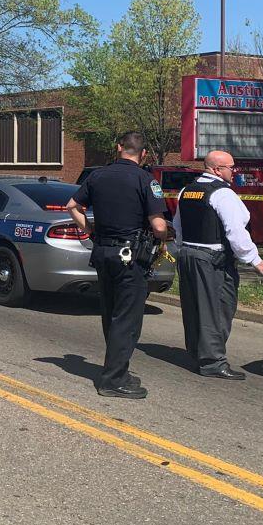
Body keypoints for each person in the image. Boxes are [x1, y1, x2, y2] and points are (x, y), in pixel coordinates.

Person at [66, 132, 170, 399]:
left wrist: (89, 230)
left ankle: (116, 370)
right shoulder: (146, 180)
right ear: (143, 154)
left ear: (118, 148)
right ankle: (113, 381)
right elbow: (158, 225)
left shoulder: (97, 176)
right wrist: (165, 235)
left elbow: (73, 206)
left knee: (110, 313)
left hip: (103, 252)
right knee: (127, 318)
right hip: (130, 257)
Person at [173, 151, 263, 380]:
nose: (233, 171)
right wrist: (254, 259)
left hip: (188, 255)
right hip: (212, 260)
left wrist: (181, 249)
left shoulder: (187, 191)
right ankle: (213, 362)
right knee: (218, 309)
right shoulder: (223, 194)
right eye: (230, 167)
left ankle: (199, 353)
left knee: (195, 308)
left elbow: (178, 225)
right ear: (217, 169)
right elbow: (235, 232)